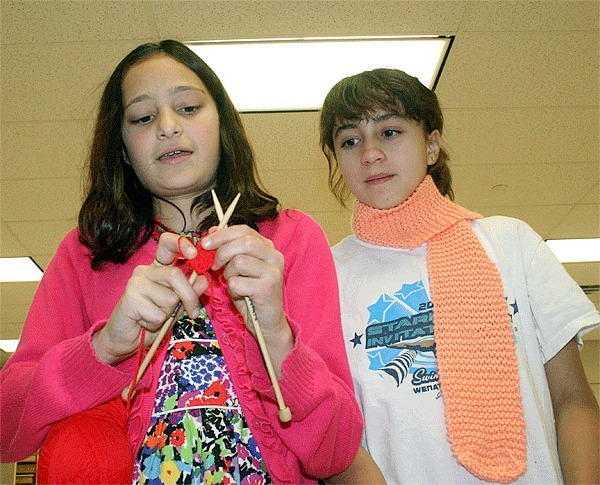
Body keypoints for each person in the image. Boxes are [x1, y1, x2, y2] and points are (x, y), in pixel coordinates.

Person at [0, 40, 365, 484]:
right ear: (122, 148)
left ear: (223, 126)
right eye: (143, 117)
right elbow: (6, 431)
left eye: (188, 108)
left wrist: (276, 335)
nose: (168, 127)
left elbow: (336, 451)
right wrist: (105, 347)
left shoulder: (289, 240)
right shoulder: (85, 254)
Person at [318, 67, 600, 484]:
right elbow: (337, 441)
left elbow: (573, 400)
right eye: (350, 140)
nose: (370, 153)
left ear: (432, 145)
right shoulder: (325, 273)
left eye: (390, 132)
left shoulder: (511, 242)